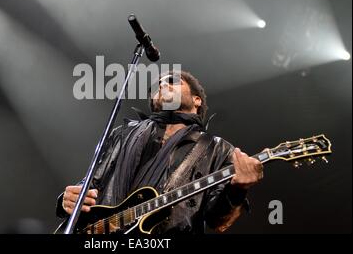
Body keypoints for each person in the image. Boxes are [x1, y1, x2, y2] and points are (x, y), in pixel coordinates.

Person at [56, 70, 263, 235]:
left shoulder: (217, 149)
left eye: (172, 81)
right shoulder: (124, 133)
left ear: (197, 99)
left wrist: (237, 191)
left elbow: (217, 221)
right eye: (158, 85)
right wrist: (69, 198)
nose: (163, 85)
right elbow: (92, 183)